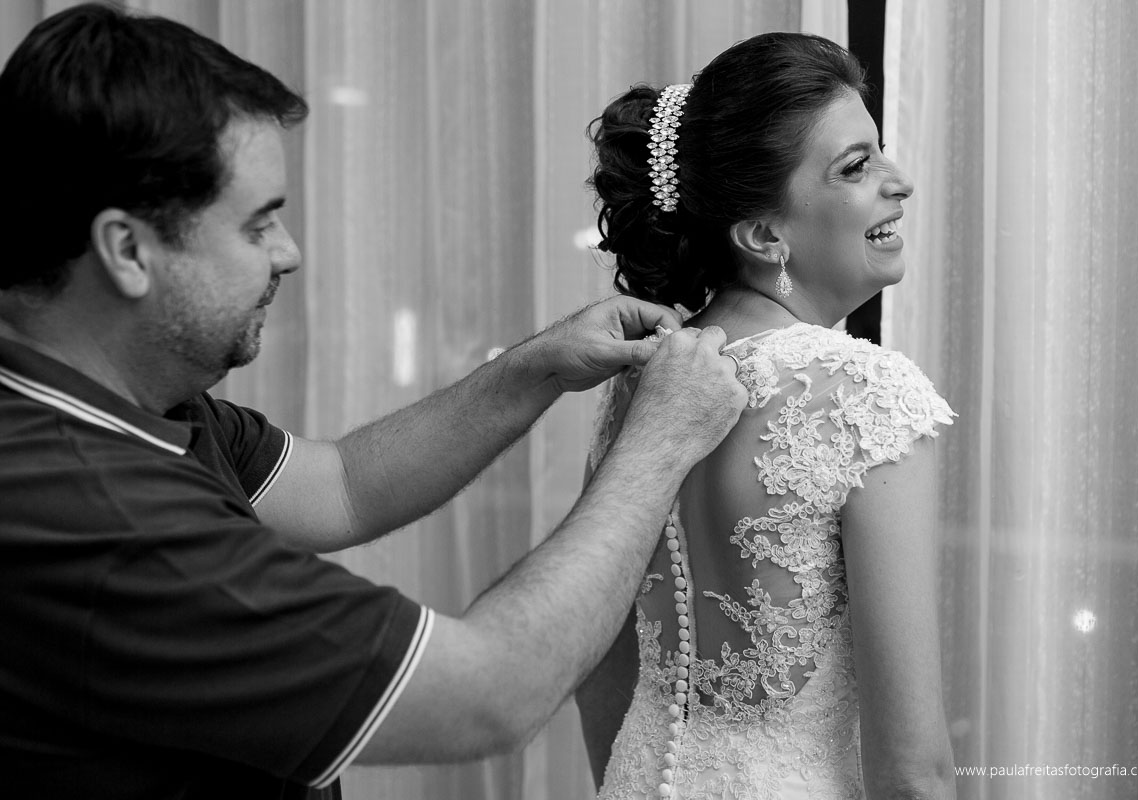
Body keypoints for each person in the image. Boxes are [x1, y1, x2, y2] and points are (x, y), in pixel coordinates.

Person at [0, 4, 748, 799]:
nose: (289, 254)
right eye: (257, 226)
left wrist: (537, 367)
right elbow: (490, 695)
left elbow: (343, 486)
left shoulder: (125, 397)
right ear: (127, 250)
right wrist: (658, 442)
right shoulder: (90, 512)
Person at [576, 32, 957, 799]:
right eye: (857, 167)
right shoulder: (864, 395)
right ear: (763, 234)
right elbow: (913, 771)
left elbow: (595, 667)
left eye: (880, 153)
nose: (901, 182)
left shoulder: (642, 382)